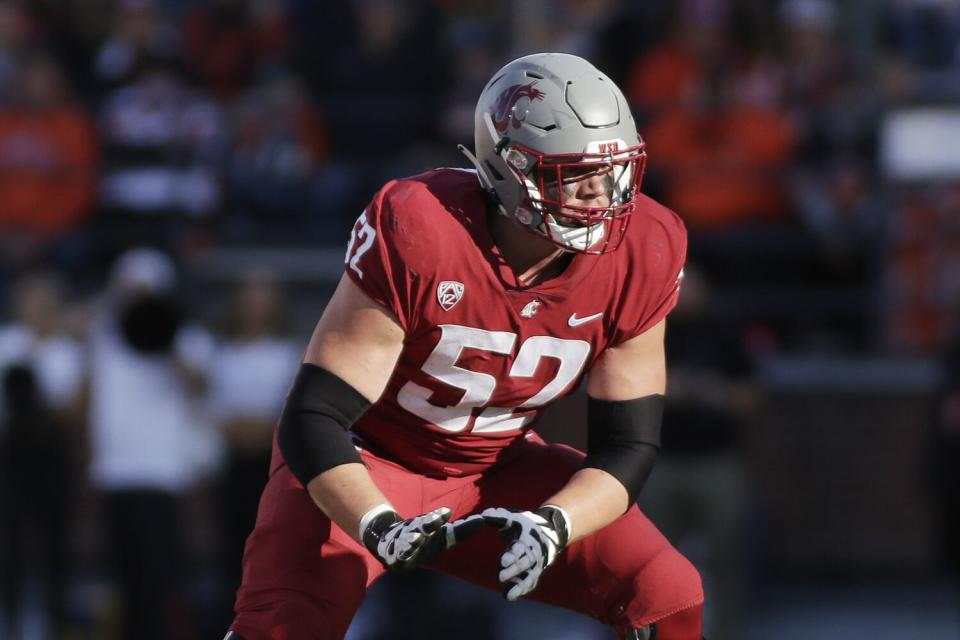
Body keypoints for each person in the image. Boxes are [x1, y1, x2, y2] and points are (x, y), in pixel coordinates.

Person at [228, 53, 704, 640]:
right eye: (574, 172)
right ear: (510, 170)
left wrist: (556, 522)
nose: (600, 193)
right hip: (369, 462)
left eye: (614, 170)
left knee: (667, 593)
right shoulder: (424, 227)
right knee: (283, 626)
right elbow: (314, 415)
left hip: (498, 467)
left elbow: (629, 446)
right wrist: (377, 524)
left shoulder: (646, 248)